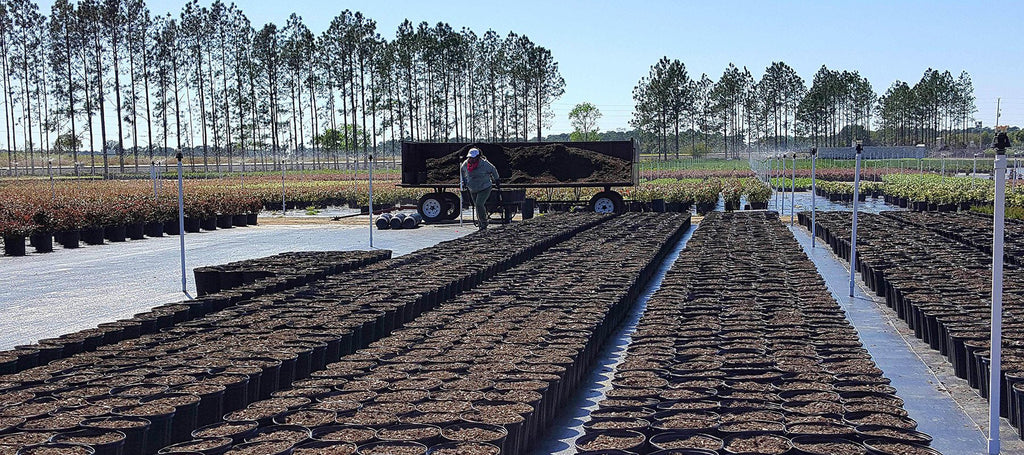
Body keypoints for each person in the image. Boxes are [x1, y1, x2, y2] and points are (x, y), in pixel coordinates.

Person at [460, 148, 500, 230]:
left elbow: (493, 170)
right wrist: (464, 181)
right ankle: (481, 221)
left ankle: (484, 222)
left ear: (478, 157)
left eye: (473, 158)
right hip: (473, 188)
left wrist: (497, 180)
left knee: (479, 204)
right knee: (477, 206)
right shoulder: (466, 164)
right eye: (470, 157)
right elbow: (462, 170)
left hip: (484, 187)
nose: (471, 159)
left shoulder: (485, 164)